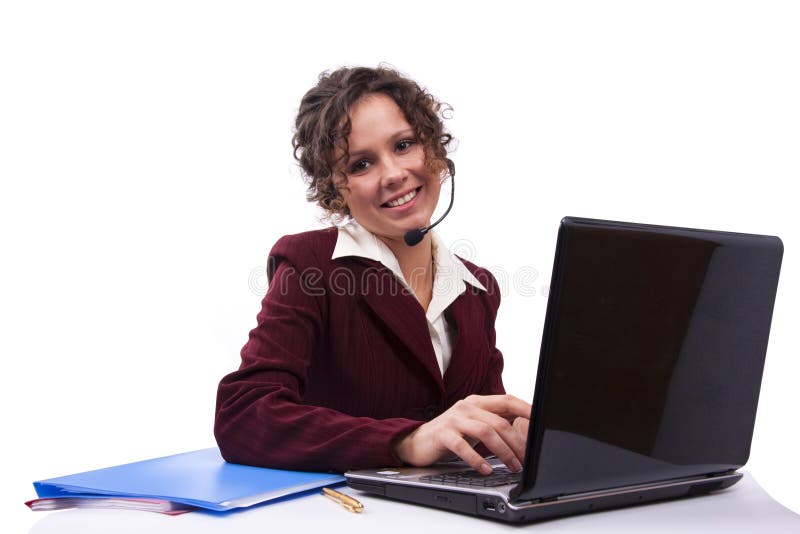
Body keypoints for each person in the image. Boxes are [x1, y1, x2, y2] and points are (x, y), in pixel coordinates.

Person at [214, 66, 531, 475]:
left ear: (434, 149)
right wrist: (407, 441)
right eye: (361, 164)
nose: (394, 174)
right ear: (335, 188)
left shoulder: (478, 289)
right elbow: (244, 415)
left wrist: (517, 430)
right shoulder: (309, 265)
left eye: (404, 144)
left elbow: (477, 426)